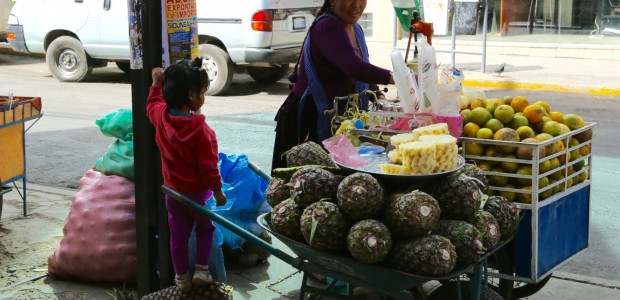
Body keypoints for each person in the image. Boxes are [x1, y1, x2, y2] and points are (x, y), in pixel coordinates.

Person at [271, 0, 395, 171]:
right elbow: (352, 67)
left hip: (340, 120)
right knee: (310, 182)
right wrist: (394, 78)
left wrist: (377, 94)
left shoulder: (356, 29)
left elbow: (363, 66)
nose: (356, 4)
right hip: (311, 118)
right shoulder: (327, 26)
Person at [147, 58, 227, 292]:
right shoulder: (202, 131)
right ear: (192, 96)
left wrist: (155, 84)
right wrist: (218, 191)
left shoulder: (161, 117)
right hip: (197, 197)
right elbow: (209, 167)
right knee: (205, 229)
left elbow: (152, 103)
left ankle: (181, 278)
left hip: (173, 193)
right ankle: (201, 270)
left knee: (178, 236)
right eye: (202, 92)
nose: (203, 97)